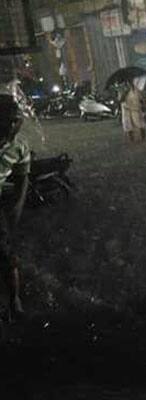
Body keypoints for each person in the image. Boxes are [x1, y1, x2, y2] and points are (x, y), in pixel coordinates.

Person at [0, 94, 31, 319]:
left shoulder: (19, 147)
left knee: (7, 254)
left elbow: (22, 178)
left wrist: (17, 207)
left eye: (14, 121)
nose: (11, 126)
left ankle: (14, 299)